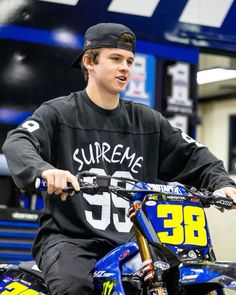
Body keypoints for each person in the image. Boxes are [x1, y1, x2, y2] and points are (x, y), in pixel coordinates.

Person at [2, 22, 236, 295]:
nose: (125, 67)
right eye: (115, 59)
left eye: (129, 61)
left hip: (135, 243)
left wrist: (221, 183)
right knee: (74, 287)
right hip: (71, 241)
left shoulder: (148, 121)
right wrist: (43, 170)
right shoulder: (59, 113)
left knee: (178, 281)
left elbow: (195, 155)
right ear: (89, 61)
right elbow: (19, 142)